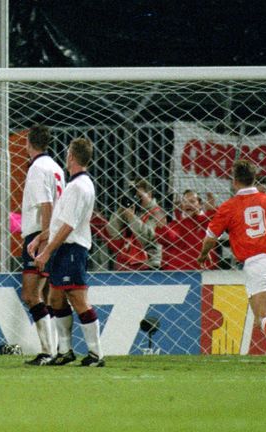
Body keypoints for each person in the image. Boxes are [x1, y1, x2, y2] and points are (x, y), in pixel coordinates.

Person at [30, 137, 103, 367]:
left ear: (71, 156)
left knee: (77, 299)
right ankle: (65, 350)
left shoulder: (79, 186)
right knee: (55, 297)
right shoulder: (77, 184)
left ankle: (95, 354)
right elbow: (60, 221)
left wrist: (46, 252)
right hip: (65, 247)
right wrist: (41, 237)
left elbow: (68, 225)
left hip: (71, 248)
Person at [198, 160, 266, 368]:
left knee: (264, 318)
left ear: (234, 182)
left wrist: (203, 255)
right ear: (254, 179)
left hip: (258, 264)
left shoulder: (228, 207)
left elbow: (210, 237)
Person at [19, 125, 65, 365]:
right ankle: (54, 349)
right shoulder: (56, 167)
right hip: (53, 233)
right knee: (46, 296)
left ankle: (48, 351)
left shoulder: (37, 168)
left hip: (40, 233)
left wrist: (43, 240)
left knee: (30, 294)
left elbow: (46, 205)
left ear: (28, 142)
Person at [106, 179, 167, 270]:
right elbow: (112, 231)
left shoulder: (158, 213)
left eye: (139, 196)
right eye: (133, 195)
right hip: (127, 263)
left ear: (149, 194)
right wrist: (121, 210)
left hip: (150, 264)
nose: (136, 199)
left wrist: (132, 218)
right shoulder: (132, 210)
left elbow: (149, 237)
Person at [156, 190, 217, 270]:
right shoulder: (176, 224)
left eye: (192, 201)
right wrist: (162, 227)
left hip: (203, 274)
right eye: (185, 201)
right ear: (182, 205)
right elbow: (167, 238)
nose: (188, 204)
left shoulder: (206, 222)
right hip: (178, 274)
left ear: (200, 205)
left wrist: (211, 211)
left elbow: (215, 225)